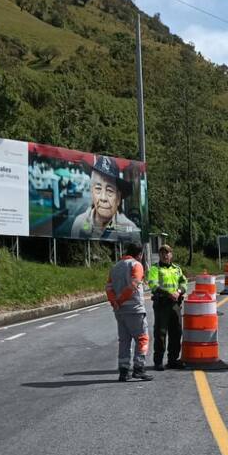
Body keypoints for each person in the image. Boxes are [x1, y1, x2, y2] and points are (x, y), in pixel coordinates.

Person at [106, 241, 152, 382]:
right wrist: (120, 300)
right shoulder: (136, 265)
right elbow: (134, 285)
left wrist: (114, 302)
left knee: (124, 341)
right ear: (140, 254)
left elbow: (108, 288)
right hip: (134, 310)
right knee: (142, 338)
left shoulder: (115, 267)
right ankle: (139, 368)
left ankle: (124, 371)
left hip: (119, 311)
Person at [70, 155, 139, 241]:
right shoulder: (79, 223)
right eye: (98, 189)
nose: (103, 198)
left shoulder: (131, 230)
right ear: (92, 192)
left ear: (118, 198)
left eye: (109, 190)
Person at [147, 243, 187, 371]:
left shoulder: (177, 269)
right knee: (161, 333)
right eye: (162, 253)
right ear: (159, 255)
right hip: (162, 304)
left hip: (175, 304)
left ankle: (172, 360)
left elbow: (184, 282)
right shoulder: (155, 268)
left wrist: (179, 292)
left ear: (171, 255)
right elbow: (153, 285)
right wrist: (168, 293)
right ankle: (158, 361)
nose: (165, 255)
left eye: (167, 253)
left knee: (176, 333)